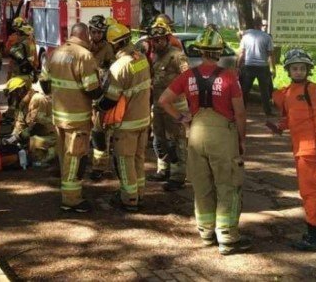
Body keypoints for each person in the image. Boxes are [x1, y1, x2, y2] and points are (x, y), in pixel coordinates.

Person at [159, 26, 251, 255]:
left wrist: (182, 118)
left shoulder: (188, 76)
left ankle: (206, 233)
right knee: (227, 185)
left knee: (202, 185)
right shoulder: (230, 77)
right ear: (219, 52)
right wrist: (242, 140)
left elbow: (163, 100)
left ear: (200, 51)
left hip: (196, 134)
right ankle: (228, 238)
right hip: (223, 135)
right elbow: (239, 113)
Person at [270, 49, 316, 251]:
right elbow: (290, 119)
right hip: (298, 148)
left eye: (302, 68)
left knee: (309, 192)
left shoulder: (313, 90)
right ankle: (315, 234)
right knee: (307, 192)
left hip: (310, 149)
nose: (298, 72)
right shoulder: (287, 92)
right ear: (288, 70)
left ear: (308, 70)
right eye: (294, 68)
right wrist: (279, 126)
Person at [94, 20, 152, 212]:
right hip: (143, 119)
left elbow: (111, 98)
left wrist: (97, 106)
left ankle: (129, 198)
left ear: (115, 44)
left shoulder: (119, 66)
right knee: (138, 158)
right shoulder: (141, 58)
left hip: (126, 123)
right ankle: (140, 193)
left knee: (124, 160)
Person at [49, 23, 103, 213]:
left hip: (58, 116)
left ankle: (67, 192)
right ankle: (71, 200)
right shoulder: (84, 56)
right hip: (77, 119)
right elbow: (92, 90)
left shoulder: (56, 52)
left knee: (64, 156)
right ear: (85, 35)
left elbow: (44, 83)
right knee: (76, 158)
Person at [147, 20, 190, 191]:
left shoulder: (177, 55)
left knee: (176, 141)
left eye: (159, 40)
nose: (156, 43)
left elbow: (188, 78)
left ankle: (177, 176)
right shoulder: (155, 55)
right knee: (159, 139)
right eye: (153, 40)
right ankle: (163, 169)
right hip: (158, 106)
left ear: (166, 39)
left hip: (175, 106)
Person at [4, 76, 56, 165]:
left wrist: (19, 137)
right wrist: (10, 140)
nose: (12, 97)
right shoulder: (22, 104)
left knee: (34, 143)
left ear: (21, 90)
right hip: (38, 135)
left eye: (13, 93)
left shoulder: (37, 99)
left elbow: (36, 125)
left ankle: (50, 158)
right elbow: (19, 125)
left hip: (51, 136)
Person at [87, 15, 115, 181]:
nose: (96, 35)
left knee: (100, 132)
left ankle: (100, 167)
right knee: (90, 132)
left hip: (101, 95)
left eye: (99, 32)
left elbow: (111, 74)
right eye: (94, 32)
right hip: (87, 96)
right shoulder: (86, 47)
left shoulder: (108, 49)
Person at [237, 16, 276, 116]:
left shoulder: (246, 37)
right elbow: (271, 54)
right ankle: (267, 111)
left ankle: (242, 110)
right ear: (261, 25)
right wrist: (273, 68)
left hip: (248, 65)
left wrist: (238, 66)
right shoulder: (267, 37)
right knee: (265, 91)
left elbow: (242, 53)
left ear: (253, 25)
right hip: (262, 66)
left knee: (245, 90)